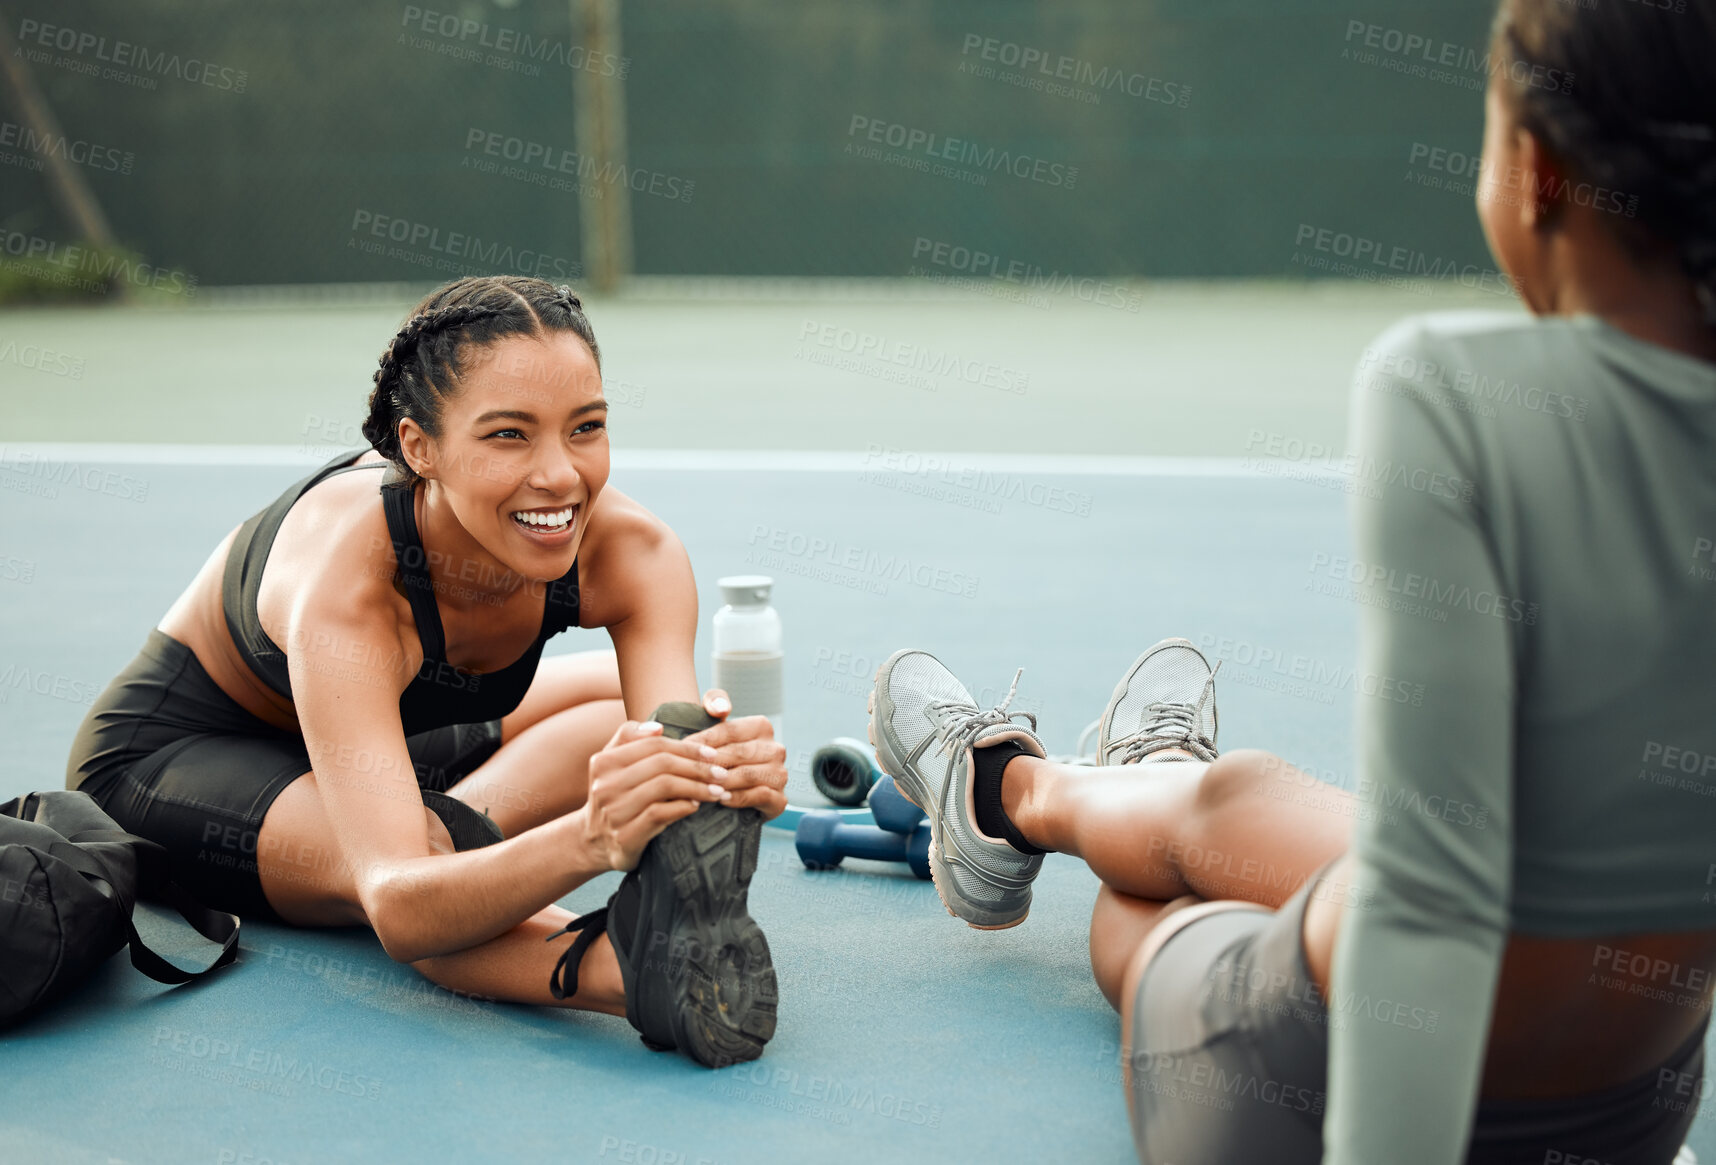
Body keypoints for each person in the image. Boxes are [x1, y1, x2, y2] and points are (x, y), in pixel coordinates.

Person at [866, 0, 1716, 1159]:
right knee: (1240, 798)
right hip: (1633, 1103)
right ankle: (1089, 783)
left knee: (1173, 909)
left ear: (1536, 174)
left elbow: (1427, 910)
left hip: (1298, 1072)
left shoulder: (1452, 393)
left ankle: (1020, 794)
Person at [64, 275, 786, 1068]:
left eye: (585, 427)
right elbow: (401, 912)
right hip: (177, 756)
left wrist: (714, 773)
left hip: (387, 739)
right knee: (424, 879)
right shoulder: (349, 589)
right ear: (419, 446)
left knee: (635, 725)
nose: (560, 475)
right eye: (509, 435)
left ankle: (448, 830)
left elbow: (667, 754)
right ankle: (624, 970)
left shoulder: (636, 553)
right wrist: (590, 838)